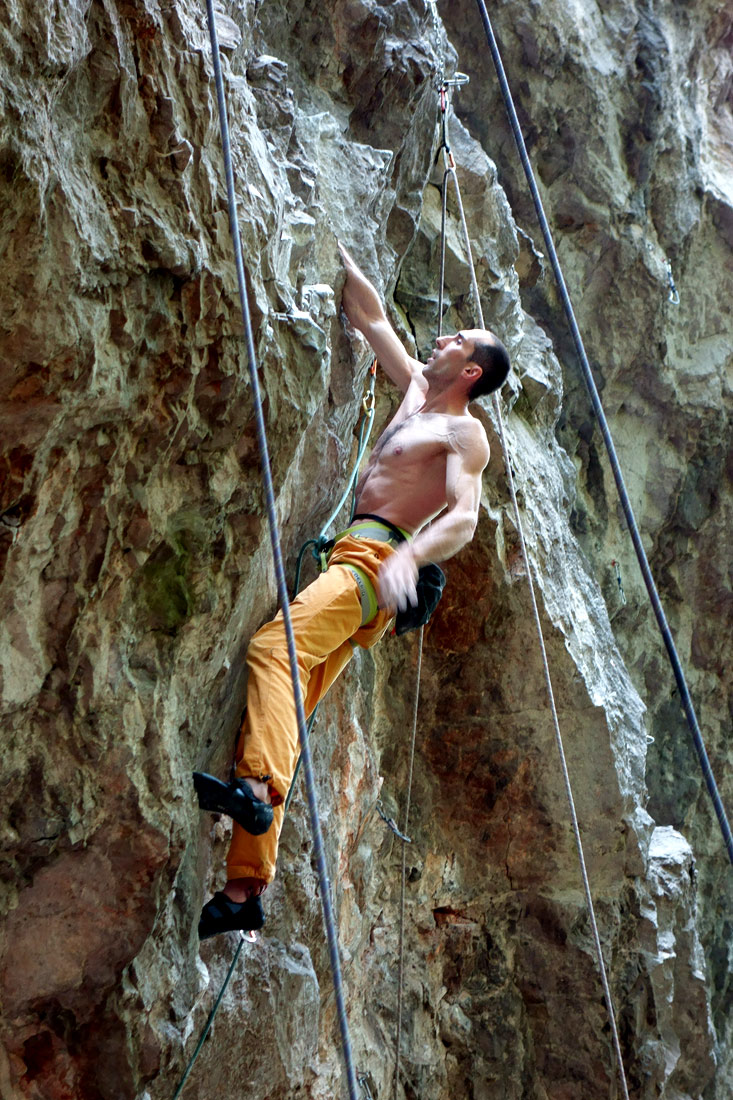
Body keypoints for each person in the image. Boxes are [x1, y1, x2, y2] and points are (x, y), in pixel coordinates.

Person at [193, 243, 511, 938]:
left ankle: (253, 790)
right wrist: (340, 251)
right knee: (285, 707)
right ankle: (245, 890)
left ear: (470, 369)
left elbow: (462, 515)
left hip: (374, 562)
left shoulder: (464, 432)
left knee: (272, 650)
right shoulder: (413, 396)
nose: (443, 334)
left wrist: (414, 556)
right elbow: (368, 315)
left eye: (456, 337)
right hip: (358, 559)